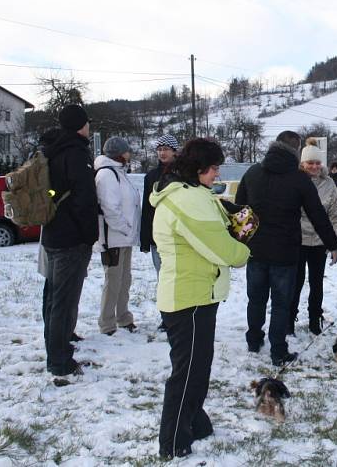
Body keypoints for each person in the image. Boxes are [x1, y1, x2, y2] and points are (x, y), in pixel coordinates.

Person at [150, 138, 250, 460]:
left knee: (197, 367)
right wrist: (244, 248)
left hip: (195, 295)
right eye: (214, 169)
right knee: (187, 372)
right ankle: (173, 441)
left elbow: (217, 229)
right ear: (198, 169)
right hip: (188, 299)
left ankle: (195, 422)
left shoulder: (191, 194)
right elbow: (222, 249)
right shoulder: (188, 200)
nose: (217, 175)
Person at [235, 131, 337, 366]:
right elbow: (317, 215)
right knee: (281, 303)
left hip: (257, 249)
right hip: (285, 252)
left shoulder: (253, 173)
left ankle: (253, 339)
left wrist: (240, 242)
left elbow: (239, 210)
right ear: (296, 150)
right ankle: (278, 350)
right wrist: (332, 244)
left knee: (256, 299)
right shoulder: (299, 179)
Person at [41, 104, 98, 378]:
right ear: (80, 125)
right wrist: (90, 235)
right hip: (71, 238)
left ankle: (56, 351)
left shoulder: (51, 149)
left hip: (52, 233)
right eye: (87, 122)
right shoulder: (76, 153)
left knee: (53, 298)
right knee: (63, 302)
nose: (89, 127)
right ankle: (60, 360)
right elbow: (84, 199)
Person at [288, 139, 337, 336]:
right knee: (296, 281)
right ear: (302, 164)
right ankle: (289, 317)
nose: (314, 166)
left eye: (317, 163)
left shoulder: (329, 184)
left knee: (316, 282)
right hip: (298, 239)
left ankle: (314, 318)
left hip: (320, 241)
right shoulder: (294, 181)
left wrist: (334, 243)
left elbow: (335, 215)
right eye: (310, 163)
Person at [95, 136, 141, 335]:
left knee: (124, 279)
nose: (129, 154)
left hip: (125, 237)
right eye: (127, 151)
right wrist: (124, 227)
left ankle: (123, 317)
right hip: (113, 238)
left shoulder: (119, 172)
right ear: (120, 154)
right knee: (113, 281)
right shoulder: (107, 174)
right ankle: (107, 323)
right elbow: (110, 208)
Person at [141, 134, 180, 275]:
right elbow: (146, 209)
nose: (162, 153)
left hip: (179, 233)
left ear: (174, 151)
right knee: (163, 276)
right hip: (158, 235)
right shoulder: (151, 176)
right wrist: (145, 239)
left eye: (166, 149)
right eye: (159, 149)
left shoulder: (183, 173)